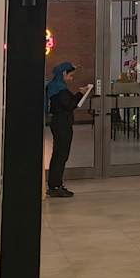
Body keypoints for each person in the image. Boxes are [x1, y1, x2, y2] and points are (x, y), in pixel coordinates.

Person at [45, 61, 78, 197]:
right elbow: (68, 105)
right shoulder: (59, 89)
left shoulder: (57, 87)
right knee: (60, 154)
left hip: (60, 123)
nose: (71, 78)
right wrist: (80, 94)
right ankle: (55, 186)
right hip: (61, 124)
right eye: (70, 75)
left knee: (60, 154)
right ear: (64, 73)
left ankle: (56, 184)